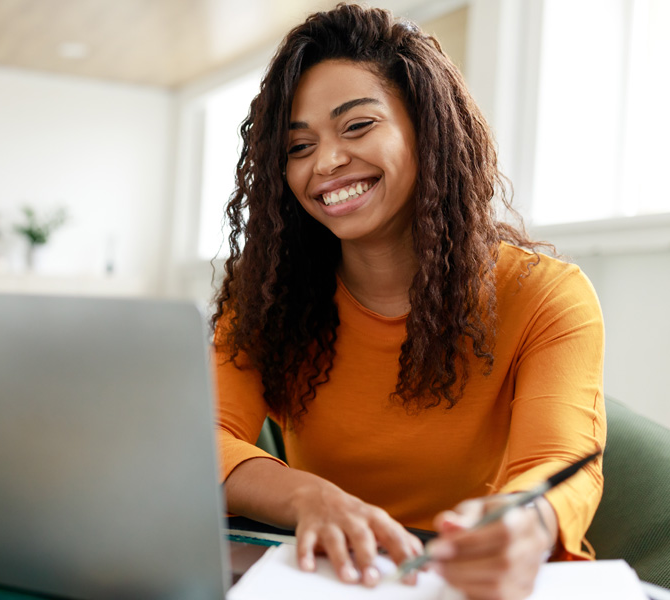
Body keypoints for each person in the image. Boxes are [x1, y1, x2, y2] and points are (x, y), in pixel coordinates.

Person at [211, 5, 605, 600]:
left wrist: (527, 524)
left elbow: (560, 464)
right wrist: (307, 496)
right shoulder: (266, 295)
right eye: (298, 146)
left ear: (428, 127)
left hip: (469, 582)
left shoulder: (547, 295)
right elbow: (201, 440)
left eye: (357, 126)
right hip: (324, 578)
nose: (326, 163)